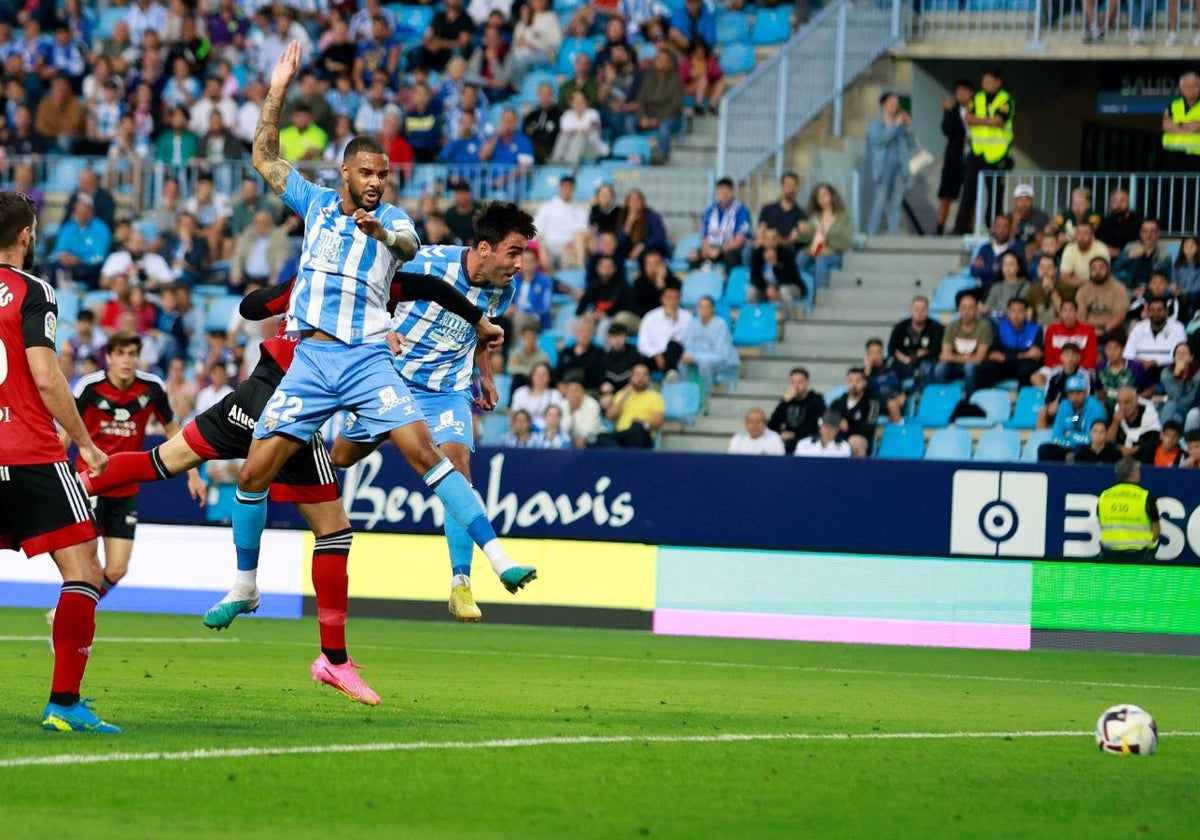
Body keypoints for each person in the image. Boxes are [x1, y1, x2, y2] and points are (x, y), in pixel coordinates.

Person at [222, 44, 529, 661]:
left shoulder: (395, 222)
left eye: (383, 175)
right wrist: (278, 87)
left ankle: (494, 561)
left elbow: (411, 251)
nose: (377, 183)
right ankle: (246, 585)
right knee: (254, 473)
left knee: (432, 457)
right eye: (368, 174)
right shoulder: (310, 204)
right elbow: (263, 155)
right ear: (345, 174)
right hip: (311, 361)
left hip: (368, 364)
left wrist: (382, 232)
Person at [331, 206, 540, 622]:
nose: (520, 264)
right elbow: (370, 293)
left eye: (524, 254)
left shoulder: (504, 289)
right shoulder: (426, 261)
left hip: (447, 391)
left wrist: (487, 377)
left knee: (457, 466)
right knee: (341, 457)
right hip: (391, 382)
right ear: (484, 248)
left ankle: (460, 583)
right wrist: (381, 329)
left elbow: (479, 332)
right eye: (514, 252)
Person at [0, 191, 120, 733]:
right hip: (30, 452)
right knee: (84, 571)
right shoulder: (34, 292)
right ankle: (64, 703)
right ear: (26, 234)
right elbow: (47, 377)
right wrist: (88, 445)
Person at [65, 332, 191, 605]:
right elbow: (65, 433)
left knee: (117, 569)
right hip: (89, 485)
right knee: (87, 568)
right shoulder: (89, 386)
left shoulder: (152, 388)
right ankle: (73, 621)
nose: (126, 360)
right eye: (120, 353)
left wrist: (193, 473)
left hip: (126, 489)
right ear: (109, 357)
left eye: (132, 354)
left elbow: (174, 431)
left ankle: (68, 613)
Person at [953, 68, 1013, 235]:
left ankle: (995, 229)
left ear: (998, 81)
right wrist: (987, 121)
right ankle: (960, 228)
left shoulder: (1005, 99)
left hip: (997, 154)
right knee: (968, 192)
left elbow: (999, 122)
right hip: (977, 152)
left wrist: (979, 121)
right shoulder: (978, 98)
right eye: (983, 81)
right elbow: (969, 119)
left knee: (995, 195)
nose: (985, 84)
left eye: (989, 81)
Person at [866, 92, 914, 236]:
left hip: (900, 169)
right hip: (883, 169)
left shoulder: (900, 125)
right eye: (891, 103)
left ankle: (893, 235)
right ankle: (871, 234)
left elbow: (911, 144)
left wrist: (909, 127)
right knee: (879, 202)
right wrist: (894, 126)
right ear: (884, 104)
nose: (895, 107)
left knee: (896, 202)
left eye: (896, 104)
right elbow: (880, 140)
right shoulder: (876, 124)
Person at [1095, 458, 1161, 564]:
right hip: (1139, 556)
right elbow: (1156, 531)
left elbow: (1101, 522)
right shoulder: (1146, 497)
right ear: (1134, 473)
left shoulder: (1104, 496)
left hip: (1109, 555)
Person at [1037, 374, 1108, 462]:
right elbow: (1056, 436)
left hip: (1088, 450)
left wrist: (1070, 434)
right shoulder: (1064, 405)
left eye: (1078, 393)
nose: (1074, 397)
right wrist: (1070, 443)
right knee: (1044, 450)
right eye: (1071, 393)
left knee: (1081, 452)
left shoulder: (1095, 408)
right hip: (1067, 447)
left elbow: (1093, 439)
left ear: (1085, 392)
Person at [934, 289, 993, 395]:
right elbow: (944, 355)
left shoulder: (984, 327)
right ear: (959, 310)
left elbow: (979, 359)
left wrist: (953, 357)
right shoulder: (952, 326)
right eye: (963, 308)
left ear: (976, 309)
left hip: (977, 368)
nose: (967, 312)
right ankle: (942, 396)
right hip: (956, 366)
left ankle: (970, 399)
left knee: (969, 367)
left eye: (971, 308)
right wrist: (964, 358)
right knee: (940, 368)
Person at [794, 183, 852, 291]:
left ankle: (819, 294)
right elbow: (805, 239)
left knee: (821, 260)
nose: (822, 199)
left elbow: (845, 242)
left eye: (825, 195)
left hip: (833, 254)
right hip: (814, 251)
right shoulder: (814, 217)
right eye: (819, 196)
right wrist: (801, 232)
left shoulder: (843, 217)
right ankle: (797, 289)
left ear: (832, 196)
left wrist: (825, 237)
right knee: (801, 256)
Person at [976, 298, 1042, 389]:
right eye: (1013, 311)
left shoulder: (1036, 329)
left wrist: (1007, 356)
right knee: (988, 367)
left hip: (1023, 367)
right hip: (1004, 367)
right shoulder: (999, 327)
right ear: (1008, 314)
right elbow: (995, 355)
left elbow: (1035, 356)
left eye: (1020, 311)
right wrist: (1025, 354)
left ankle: (1022, 399)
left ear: (1026, 313)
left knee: (1027, 368)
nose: (1016, 315)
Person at [936, 80, 973, 236]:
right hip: (954, 158)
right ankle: (939, 228)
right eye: (957, 91)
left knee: (970, 195)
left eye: (963, 91)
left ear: (970, 93)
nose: (960, 94)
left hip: (972, 157)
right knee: (946, 195)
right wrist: (948, 112)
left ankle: (968, 227)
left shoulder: (978, 108)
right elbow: (946, 130)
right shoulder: (953, 109)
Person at [690, 177, 751, 272]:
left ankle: (729, 283)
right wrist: (708, 249)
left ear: (731, 192)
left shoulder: (741, 210)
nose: (722, 195)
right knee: (693, 255)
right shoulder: (710, 211)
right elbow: (705, 236)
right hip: (713, 247)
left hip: (730, 248)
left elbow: (740, 240)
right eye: (720, 191)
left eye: (725, 191)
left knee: (731, 255)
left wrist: (720, 250)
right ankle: (698, 283)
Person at [680, 295, 739, 392]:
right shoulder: (693, 324)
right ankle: (686, 395)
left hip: (725, 363)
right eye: (701, 307)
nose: (703, 310)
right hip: (699, 360)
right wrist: (688, 356)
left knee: (705, 364)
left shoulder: (720, 325)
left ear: (712, 309)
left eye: (706, 307)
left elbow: (721, 355)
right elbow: (688, 347)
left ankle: (707, 397)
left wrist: (695, 358)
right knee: (682, 364)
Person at [635, 49, 684, 164]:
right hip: (649, 114)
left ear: (670, 63)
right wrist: (642, 117)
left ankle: (661, 155)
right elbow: (640, 101)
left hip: (669, 116)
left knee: (664, 127)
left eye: (665, 60)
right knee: (629, 121)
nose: (661, 63)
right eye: (659, 60)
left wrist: (658, 119)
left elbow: (675, 105)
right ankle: (634, 152)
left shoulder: (676, 81)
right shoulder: (648, 80)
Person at [1124, 297, 1187, 384]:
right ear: (1148, 312)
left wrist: (1155, 362)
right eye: (1152, 310)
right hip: (1139, 369)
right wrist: (1138, 363)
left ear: (1167, 312)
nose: (1156, 313)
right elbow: (1127, 354)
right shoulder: (1139, 327)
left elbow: (1181, 356)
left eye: (1160, 310)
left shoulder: (1178, 328)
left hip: (1165, 370)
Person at [532, 174, 589, 271]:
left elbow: (582, 231)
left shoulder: (580, 210)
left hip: (569, 246)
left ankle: (580, 270)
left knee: (578, 239)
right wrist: (542, 244)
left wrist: (570, 244)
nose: (567, 190)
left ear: (573, 189)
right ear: (559, 188)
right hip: (549, 245)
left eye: (569, 188)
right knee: (541, 247)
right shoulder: (547, 207)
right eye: (564, 187)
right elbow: (536, 229)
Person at [1035, 298, 1098, 385]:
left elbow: (1091, 360)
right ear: (1060, 313)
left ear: (1076, 313)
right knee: (1036, 378)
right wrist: (1062, 368)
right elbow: (1048, 359)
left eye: (1071, 310)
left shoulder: (1088, 330)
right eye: (1064, 310)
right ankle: (1049, 396)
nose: (1067, 314)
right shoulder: (1052, 329)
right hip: (1056, 368)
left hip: (1081, 368)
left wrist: (1071, 367)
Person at [602, 362, 665, 448]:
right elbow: (610, 417)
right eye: (637, 375)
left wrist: (644, 423)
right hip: (622, 435)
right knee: (601, 437)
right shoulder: (621, 394)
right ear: (631, 378)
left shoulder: (655, 397)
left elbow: (658, 422)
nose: (641, 378)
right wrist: (625, 395)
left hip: (643, 435)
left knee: (636, 428)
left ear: (649, 378)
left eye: (644, 375)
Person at [888, 295, 945, 388]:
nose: (920, 313)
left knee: (927, 367)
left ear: (928, 311)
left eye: (923, 309)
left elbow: (936, 351)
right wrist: (914, 355)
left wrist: (911, 357)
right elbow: (892, 349)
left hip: (926, 363)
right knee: (892, 369)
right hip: (902, 361)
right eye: (916, 309)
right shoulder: (900, 327)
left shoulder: (937, 328)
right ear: (910, 310)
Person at [768, 367, 825, 455]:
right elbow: (772, 424)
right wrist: (783, 402)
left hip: (807, 438)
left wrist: (794, 434)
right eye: (793, 382)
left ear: (807, 383)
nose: (796, 385)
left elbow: (815, 426)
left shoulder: (816, 400)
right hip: (786, 438)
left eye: (800, 382)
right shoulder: (787, 400)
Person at [638, 284, 692, 376]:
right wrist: (656, 354)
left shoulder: (687, 317)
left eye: (676, 298)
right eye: (669, 298)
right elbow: (643, 343)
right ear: (662, 299)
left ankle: (669, 377)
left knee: (673, 345)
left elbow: (686, 341)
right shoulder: (650, 317)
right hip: (655, 355)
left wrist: (674, 322)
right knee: (638, 358)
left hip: (676, 356)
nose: (673, 302)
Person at [1096, 331, 1154, 415]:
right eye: (1108, 348)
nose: (1111, 352)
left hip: (1130, 411)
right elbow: (1099, 390)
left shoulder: (1135, 367)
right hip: (1107, 410)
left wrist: (1133, 400)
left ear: (1123, 349)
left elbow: (1150, 390)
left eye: (1115, 348)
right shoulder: (1100, 367)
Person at [828, 368, 879, 457]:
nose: (854, 384)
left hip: (861, 438)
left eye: (858, 381)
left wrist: (848, 427)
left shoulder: (872, 403)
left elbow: (868, 427)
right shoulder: (837, 403)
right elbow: (828, 421)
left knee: (854, 441)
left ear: (864, 383)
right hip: (837, 437)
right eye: (850, 381)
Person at [1108, 385, 1163, 464]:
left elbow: (1153, 441)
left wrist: (1132, 450)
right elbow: (1107, 441)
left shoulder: (1149, 413)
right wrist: (1115, 423)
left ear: (1136, 400)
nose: (1123, 407)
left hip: (1142, 460)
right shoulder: (1116, 411)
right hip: (1118, 460)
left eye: (1127, 402)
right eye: (1120, 402)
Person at [969, 214, 1023, 294]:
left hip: (1006, 290)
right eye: (998, 226)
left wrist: (986, 268)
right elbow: (974, 271)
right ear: (993, 228)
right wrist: (997, 268)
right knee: (961, 296)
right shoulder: (985, 248)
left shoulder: (1016, 249)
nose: (1001, 230)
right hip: (984, 288)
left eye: (1005, 227)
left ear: (1010, 229)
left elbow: (1017, 273)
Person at [1114, 219, 1173, 291]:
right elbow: (1115, 268)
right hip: (1130, 289)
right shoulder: (1130, 247)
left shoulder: (1165, 254)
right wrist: (1128, 257)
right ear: (1140, 233)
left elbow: (1168, 279)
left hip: (1153, 292)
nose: (1148, 235)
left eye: (1152, 231)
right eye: (1145, 231)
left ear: (1158, 233)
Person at [1075, 256, 1129, 334]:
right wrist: (1089, 331)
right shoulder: (1083, 290)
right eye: (1094, 269)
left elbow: (1119, 316)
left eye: (1101, 268)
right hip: (1088, 330)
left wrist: (1103, 330)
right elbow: (1080, 317)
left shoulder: (1119, 288)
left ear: (1108, 269)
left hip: (1112, 329)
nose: (1098, 272)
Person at [1161, 72, 1200, 174]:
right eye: (1188, 86)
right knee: (1170, 187)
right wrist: (1189, 128)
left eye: (1195, 85)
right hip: (1173, 156)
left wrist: (1177, 126)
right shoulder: (1173, 105)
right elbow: (1166, 125)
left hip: (1196, 158)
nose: (1192, 88)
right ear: (1181, 88)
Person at [1059, 222, 1111, 294]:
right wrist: (1084, 284)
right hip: (1076, 286)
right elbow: (1064, 277)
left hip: (1098, 286)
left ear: (1092, 236)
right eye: (1079, 233)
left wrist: (1088, 285)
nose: (1082, 237)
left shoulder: (1101, 249)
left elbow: (1103, 276)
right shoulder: (1069, 249)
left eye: (1086, 233)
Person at [554, 319, 605, 391]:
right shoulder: (565, 352)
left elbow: (598, 379)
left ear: (592, 334)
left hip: (588, 391)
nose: (585, 334)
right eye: (582, 331)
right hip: (565, 392)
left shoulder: (599, 353)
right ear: (576, 333)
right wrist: (561, 386)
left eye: (588, 331)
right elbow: (557, 375)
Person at [1160, 342, 1200, 431]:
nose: (1181, 356)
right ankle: (1164, 437)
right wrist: (1177, 374)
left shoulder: (1197, 373)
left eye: (1184, 353)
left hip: (1191, 407)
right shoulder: (1166, 372)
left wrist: (1165, 398)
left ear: (1191, 358)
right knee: (1170, 406)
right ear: (1174, 357)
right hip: (1172, 408)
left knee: (1189, 413)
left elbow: (1189, 399)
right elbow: (1174, 395)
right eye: (1178, 353)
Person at [1096, 189, 1142, 260]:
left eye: (1122, 201)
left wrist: (1121, 252)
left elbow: (1140, 243)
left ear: (1128, 203)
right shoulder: (1105, 222)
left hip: (1133, 258)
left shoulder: (1138, 221)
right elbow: (1100, 242)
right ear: (1110, 204)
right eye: (1115, 201)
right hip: (1111, 259)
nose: (1118, 205)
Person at [1010, 183, 1049, 264]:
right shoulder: (1009, 216)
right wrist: (1014, 223)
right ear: (1015, 202)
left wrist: (1033, 246)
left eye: (1027, 200)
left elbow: (1041, 240)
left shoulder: (1040, 216)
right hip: (1014, 250)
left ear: (1032, 201)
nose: (1023, 204)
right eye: (1020, 200)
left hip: (1034, 250)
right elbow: (1007, 241)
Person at [600, 321, 644, 390]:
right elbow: (603, 380)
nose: (617, 340)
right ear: (609, 339)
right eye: (614, 336)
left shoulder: (635, 354)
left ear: (626, 337)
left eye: (620, 336)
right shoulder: (605, 358)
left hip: (632, 389)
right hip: (613, 392)